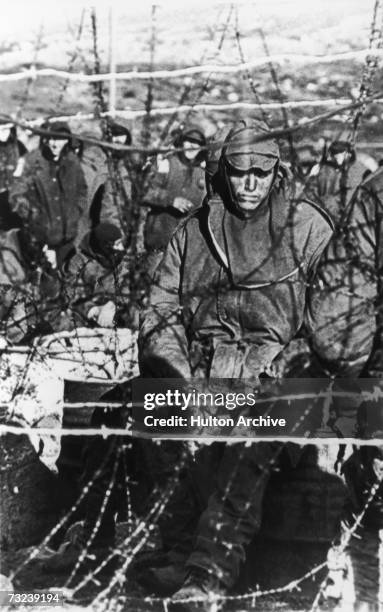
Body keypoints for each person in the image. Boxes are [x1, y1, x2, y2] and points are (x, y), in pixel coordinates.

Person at [138, 118, 334, 605]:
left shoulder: (307, 227)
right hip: (207, 372)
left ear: (277, 174)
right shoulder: (195, 232)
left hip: (282, 376)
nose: (250, 184)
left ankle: (207, 574)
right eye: (239, 172)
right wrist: (177, 377)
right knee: (163, 426)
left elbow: (331, 319)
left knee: (247, 444)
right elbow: (159, 309)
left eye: (261, 174)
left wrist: (285, 367)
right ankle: (184, 548)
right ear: (221, 172)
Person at [8, 121, 88, 266]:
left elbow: (82, 191)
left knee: (66, 279)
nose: (54, 144)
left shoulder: (72, 161)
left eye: (59, 139)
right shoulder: (32, 161)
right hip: (40, 239)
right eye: (51, 139)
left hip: (67, 237)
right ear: (45, 139)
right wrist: (33, 217)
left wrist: (75, 213)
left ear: (67, 140)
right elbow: (16, 193)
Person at [143, 123, 207, 274]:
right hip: (160, 243)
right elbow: (143, 191)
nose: (192, 146)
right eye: (189, 141)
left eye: (198, 143)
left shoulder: (203, 172)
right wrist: (170, 200)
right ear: (181, 142)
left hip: (188, 247)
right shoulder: (166, 164)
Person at [64, 222, 131, 329]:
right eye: (117, 244)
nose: (122, 248)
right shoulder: (79, 263)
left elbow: (132, 286)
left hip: (119, 314)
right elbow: (71, 298)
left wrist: (113, 305)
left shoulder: (123, 260)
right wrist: (93, 309)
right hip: (89, 322)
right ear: (106, 246)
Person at [0, 120, 27, 231]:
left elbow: (24, 168)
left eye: (5, 128)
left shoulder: (18, 145)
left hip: (14, 196)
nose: (3, 132)